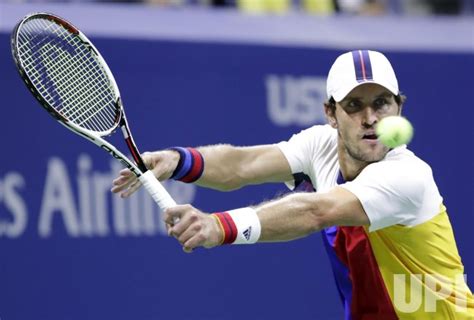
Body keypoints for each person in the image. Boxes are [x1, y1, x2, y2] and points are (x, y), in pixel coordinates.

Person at [111, 50, 473, 319]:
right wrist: (178, 160)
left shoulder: (408, 176)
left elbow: (315, 210)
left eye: (382, 103)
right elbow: (243, 164)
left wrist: (217, 226)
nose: (370, 118)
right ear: (330, 114)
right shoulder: (321, 145)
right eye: (353, 105)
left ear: (399, 108)